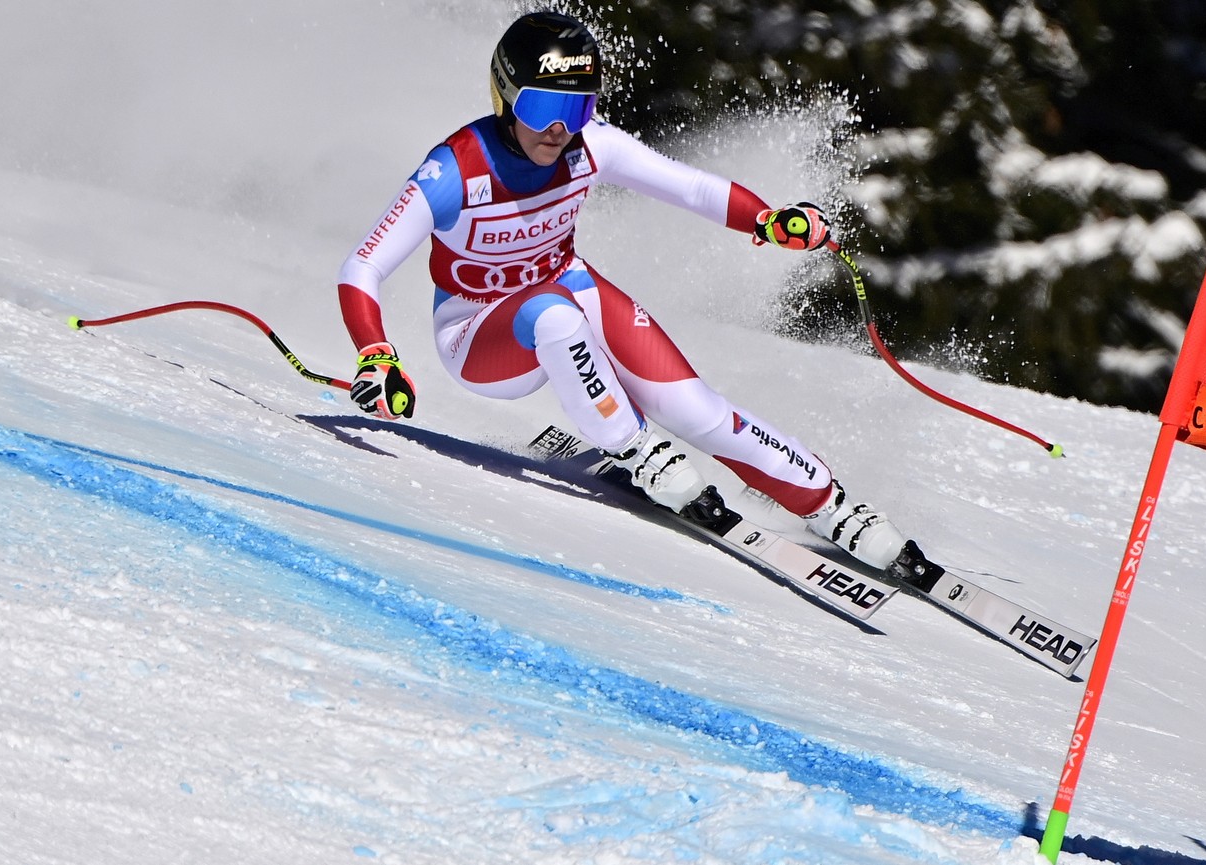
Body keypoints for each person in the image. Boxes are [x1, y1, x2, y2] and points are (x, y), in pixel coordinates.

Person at [335, 10, 923, 574]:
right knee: (554, 317)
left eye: (577, 106)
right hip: (477, 333)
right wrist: (375, 353)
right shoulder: (454, 171)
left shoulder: (591, 144)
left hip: (565, 285)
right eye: (542, 107)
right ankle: (635, 447)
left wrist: (767, 222)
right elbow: (362, 266)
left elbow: (689, 188)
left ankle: (829, 504)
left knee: (695, 408)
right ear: (505, 97)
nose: (560, 129)